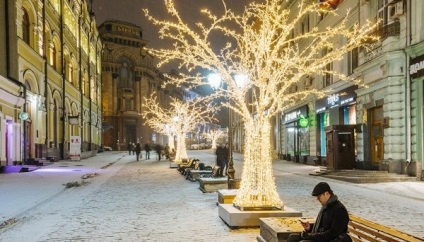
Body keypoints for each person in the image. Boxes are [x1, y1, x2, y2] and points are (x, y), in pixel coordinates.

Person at [287, 182, 352, 242]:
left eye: (319, 196)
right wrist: (309, 227)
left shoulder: (339, 209)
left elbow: (333, 233)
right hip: (322, 237)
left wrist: (311, 236)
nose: (317, 199)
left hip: (332, 240)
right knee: (292, 238)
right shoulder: (327, 206)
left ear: (327, 193)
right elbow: (322, 227)